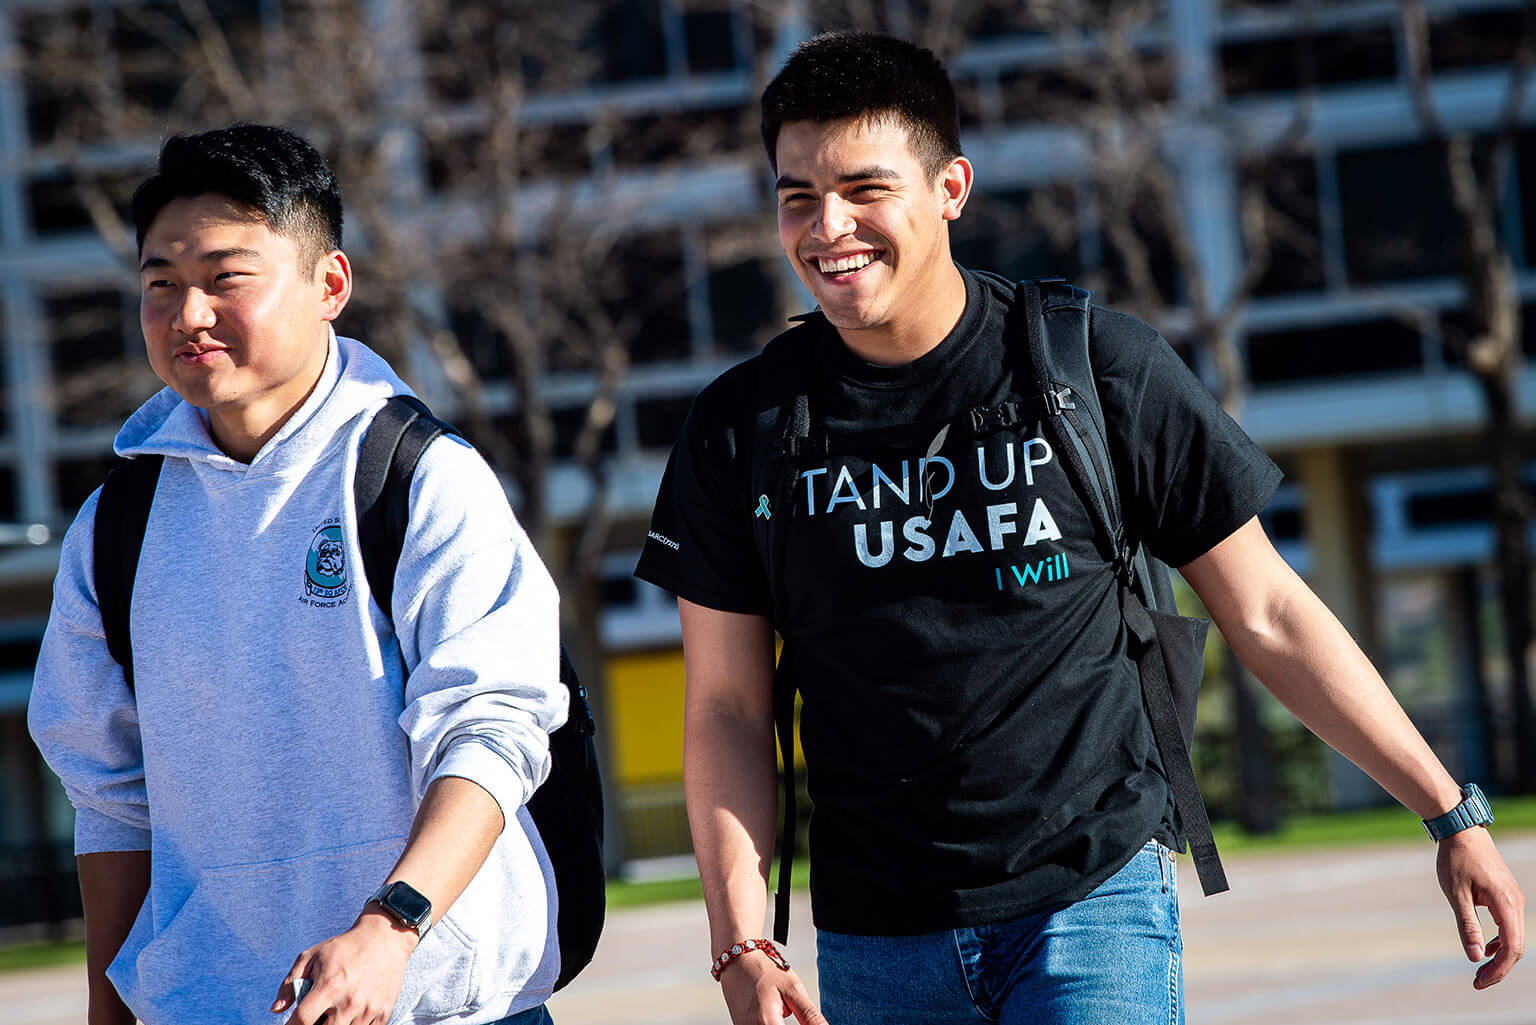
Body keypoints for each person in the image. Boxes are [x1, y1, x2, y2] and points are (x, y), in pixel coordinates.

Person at [634, 31, 1526, 1025]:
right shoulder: (739, 427)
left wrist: (1449, 809)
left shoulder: (1092, 368)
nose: (827, 227)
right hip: (874, 938)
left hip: (1089, 901)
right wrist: (742, 944)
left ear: (951, 188)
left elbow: (1267, 609)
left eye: (864, 189)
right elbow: (724, 710)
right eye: (797, 195)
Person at [28, 124, 566, 1025]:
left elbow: (494, 725)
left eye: (226, 277)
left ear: (330, 285)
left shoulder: (418, 475)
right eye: (162, 284)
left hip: (440, 1007)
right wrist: (107, 1001)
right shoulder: (113, 525)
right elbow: (111, 796)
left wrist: (392, 928)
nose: (188, 313)